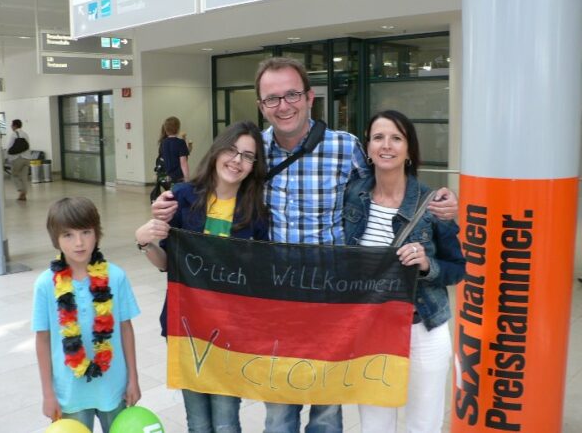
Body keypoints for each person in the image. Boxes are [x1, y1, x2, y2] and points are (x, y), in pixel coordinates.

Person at [152, 57, 459, 433]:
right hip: (276, 302)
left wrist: (436, 203)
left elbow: (386, 182)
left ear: (309, 97)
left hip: (334, 301)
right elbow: (217, 190)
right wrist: (172, 203)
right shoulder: (251, 153)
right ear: (261, 105)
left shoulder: (344, 148)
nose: (284, 105)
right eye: (272, 98)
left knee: (328, 413)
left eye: (292, 94)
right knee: (279, 411)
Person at [135, 120, 269, 432]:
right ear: (218, 150)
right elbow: (167, 264)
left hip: (231, 331)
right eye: (232, 151)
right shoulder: (182, 198)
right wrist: (145, 241)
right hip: (186, 327)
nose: (237, 161)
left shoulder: (256, 212)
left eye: (248, 156)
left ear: (254, 165)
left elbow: (261, 273)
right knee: (197, 420)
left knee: (225, 420)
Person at [343, 110, 465, 433]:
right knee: (374, 425)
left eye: (396, 138)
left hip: (422, 326)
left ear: (409, 150)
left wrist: (427, 264)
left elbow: (457, 269)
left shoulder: (433, 203)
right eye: (378, 137)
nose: (387, 146)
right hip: (369, 328)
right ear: (367, 148)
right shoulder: (351, 196)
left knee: (422, 425)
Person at [32, 197, 141, 432]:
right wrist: (48, 394)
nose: (79, 243)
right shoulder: (45, 284)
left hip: (114, 387)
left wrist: (133, 378)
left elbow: (126, 329)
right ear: (56, 240)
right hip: (69, 392)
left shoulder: (116, 276)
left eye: (86, 232)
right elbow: (42, 340)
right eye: (68, 235)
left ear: (97, 233)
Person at [159, 116, 190, 186]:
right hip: (178, 176)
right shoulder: (180, 143)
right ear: (178, 129)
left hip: (168, 176)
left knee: (171, 194)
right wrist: (187, 178)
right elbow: (183, 163)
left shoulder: (163, 143)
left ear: (166, 130)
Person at [6, 119, 32, 201]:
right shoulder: (25, 134)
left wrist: (7, 156)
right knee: (24, 177)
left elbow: (9, 147)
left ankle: (21, 191)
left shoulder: (14, 134)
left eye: (11, 125)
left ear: (15, 126)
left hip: (18, 158)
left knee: (14, 175)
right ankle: (23, 195)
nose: (11, 126)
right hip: (27, 158)